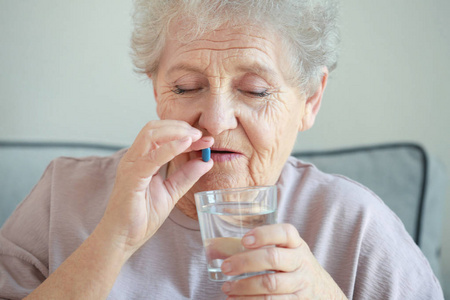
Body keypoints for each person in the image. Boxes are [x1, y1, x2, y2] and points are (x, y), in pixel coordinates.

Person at [0, 0, 444, 299]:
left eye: (254, 91)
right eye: (186, 86)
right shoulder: (64, 194)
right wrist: (112, 241)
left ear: (310, 100)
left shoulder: (358, 226)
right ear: (157, 92)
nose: (214, 120)